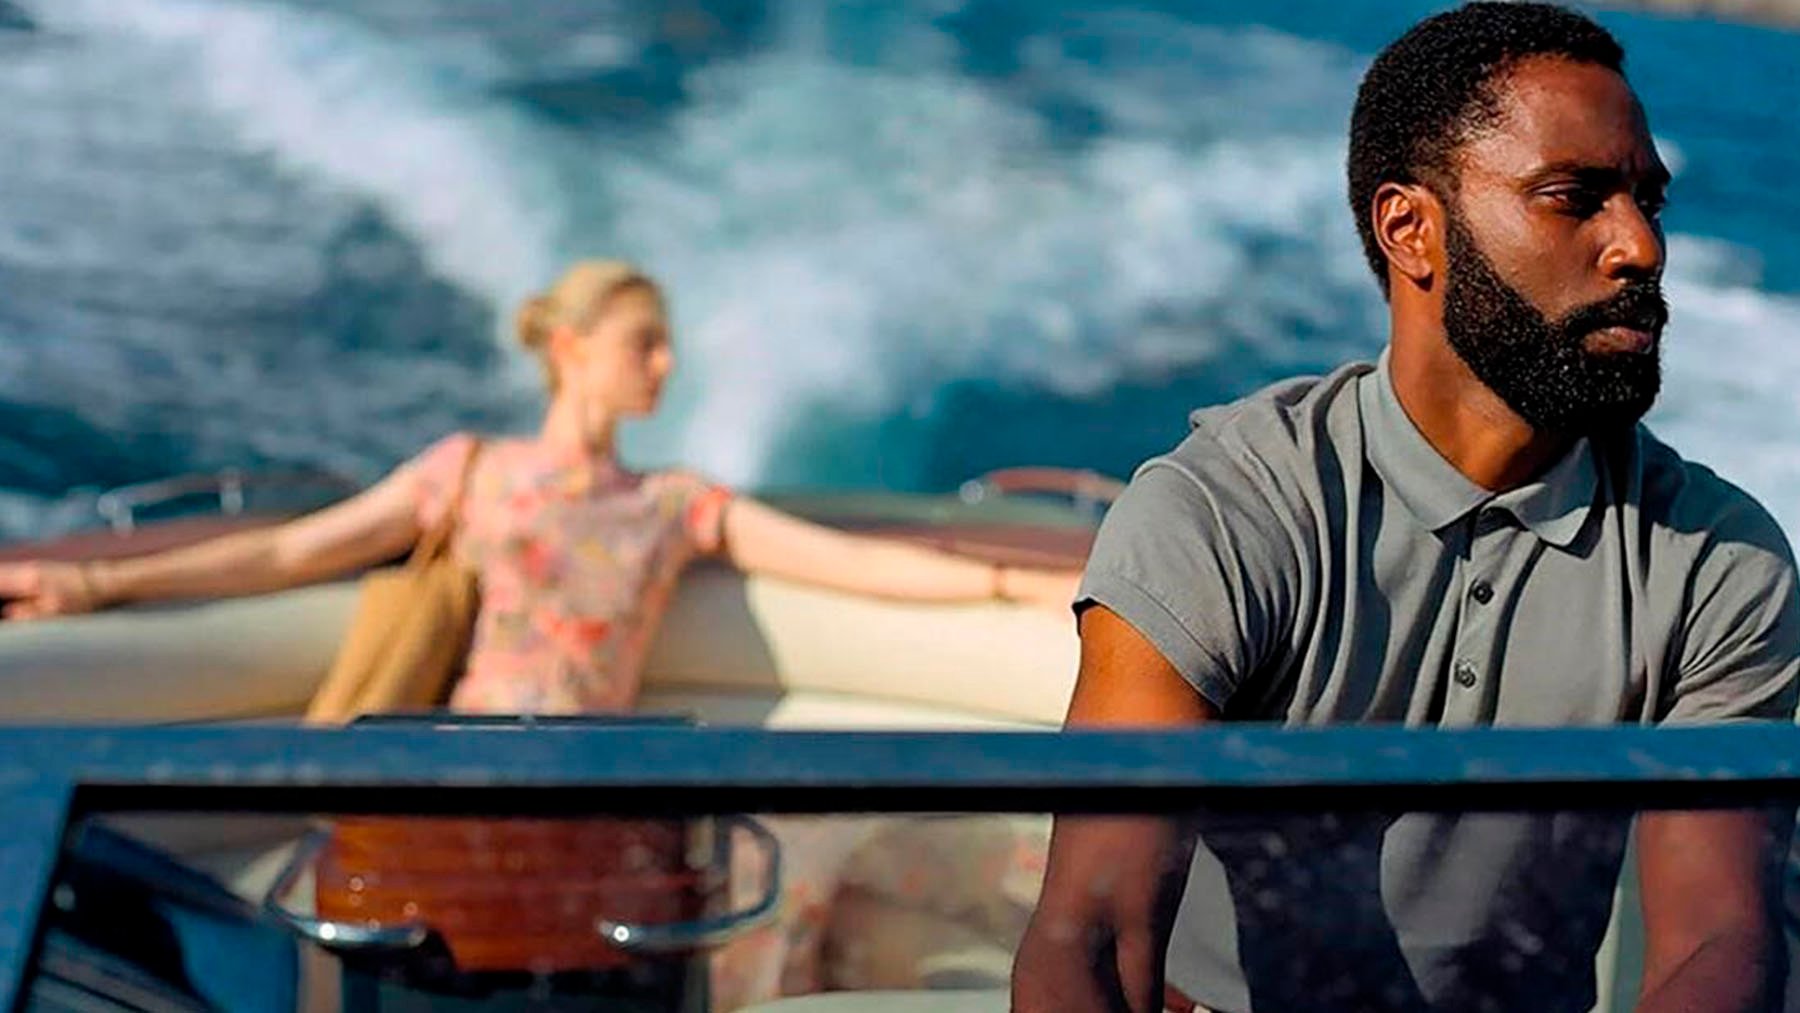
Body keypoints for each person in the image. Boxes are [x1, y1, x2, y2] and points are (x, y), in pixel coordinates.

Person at [0, 259, 1080, 1006]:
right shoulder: (469, 469)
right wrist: (93, 581)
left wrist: (1009, 582)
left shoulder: (673, 502)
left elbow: (850, 563)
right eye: (643, 342)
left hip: (601, 788)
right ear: (569, 347)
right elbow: (292, 553)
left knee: (791, 871)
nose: (665, 364)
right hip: (454, 778)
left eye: (666, 346)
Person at [1012, 5, 1799, 1013]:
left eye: (1648, 200)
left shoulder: (1719, 562)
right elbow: (1094, 932)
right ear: (1409, 229)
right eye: (1574, 198)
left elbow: (1721, 939)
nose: (1640, 246)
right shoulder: (1225, 510)